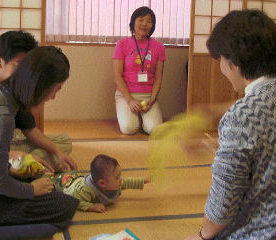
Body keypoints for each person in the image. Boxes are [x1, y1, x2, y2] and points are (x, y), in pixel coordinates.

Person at [0, 46, 79, 228]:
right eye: (56, 89)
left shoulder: (2, 92)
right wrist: (31, 190)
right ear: (41, 85)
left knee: (43, 181)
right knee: (66, 205)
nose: (53, 97)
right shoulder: (1, 117)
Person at [184, 10, 276, 240]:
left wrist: (202, 236)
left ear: (233, 62)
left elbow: (222, 209)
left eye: (221, 61)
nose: (222, 69)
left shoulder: (241, 116)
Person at [0, 30, 76, 172]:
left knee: (63, 142)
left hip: (5, 143)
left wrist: (57, 151)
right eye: (19, 64)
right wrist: (13, 155)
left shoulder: (17, 88)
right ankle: (30, 166)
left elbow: (29, 128)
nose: (26, 71)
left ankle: (32, 165)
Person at [113, 6, 166, 135]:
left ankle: (145, 119)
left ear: (152, 25)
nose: (144, 24)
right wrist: (130, 100)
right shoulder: (122, 44)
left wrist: (152, 99)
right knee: (128, 129)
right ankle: (134, 117)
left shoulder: (159, 47)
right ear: (133, 22)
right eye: (141, 20)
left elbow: (158, 76)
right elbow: (117, 75)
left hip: (148, 96)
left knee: (155, 130)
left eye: (148, 21)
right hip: (126, 95)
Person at [51, 154, 150, 213]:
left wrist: (143, 180)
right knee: (56, 180)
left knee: (71, 173)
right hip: (67, 184)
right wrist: (92, 207)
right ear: (102, 183)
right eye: (117, 177)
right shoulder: (86, 190)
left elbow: (127, 182)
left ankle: (65, 170)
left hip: (77, 177)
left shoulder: (112, 182)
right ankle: (59, 172)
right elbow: (75, 201)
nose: (120, 179)